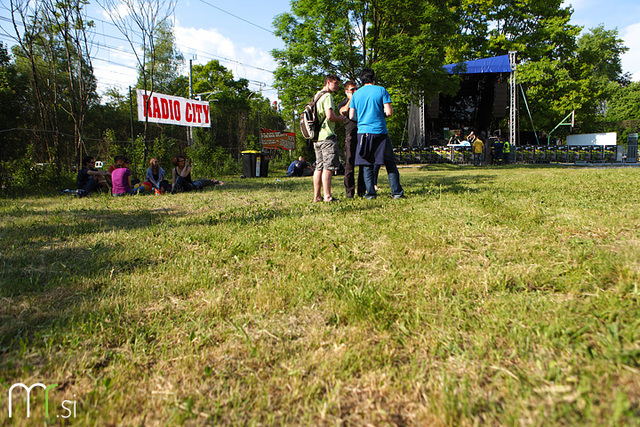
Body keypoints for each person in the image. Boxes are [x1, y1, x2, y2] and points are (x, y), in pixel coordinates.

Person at [349, 68, 405, 199]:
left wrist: (363, 119)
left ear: (361, 79)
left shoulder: (356, 94)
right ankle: (396, 192)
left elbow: (352, 115)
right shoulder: (381, 90)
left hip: (363, 133)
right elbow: (389, 112)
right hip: (380, 132)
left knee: (367, 164)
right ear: (373, 78)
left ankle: (370, 194)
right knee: (390, 163)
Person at [313, 74, 347, 202]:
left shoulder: (317, 96)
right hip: (327, 136)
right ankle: (327, 196)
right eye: (335, 83)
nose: (337, 86)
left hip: (316, 137)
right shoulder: (327, 96)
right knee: (328, 167)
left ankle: (317, 196)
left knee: (319, 166)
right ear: (328, 82)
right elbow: (330, 116)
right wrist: (341, 119)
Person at [338, 81, 365, 198]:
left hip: (362, 133)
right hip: (350, 135)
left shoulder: (361, 102)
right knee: (349, 163)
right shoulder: (343, 103)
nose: (355, 92)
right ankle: (349, 192)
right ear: (346, 91)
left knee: (363, 163)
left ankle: (362, 191)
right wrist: (351, 100)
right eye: (352, 90)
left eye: (356, 89)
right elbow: (343, 111)